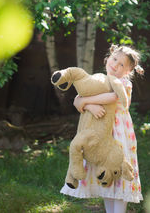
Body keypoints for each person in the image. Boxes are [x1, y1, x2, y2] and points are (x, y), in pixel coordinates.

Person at [60, 44, 144, 213]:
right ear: (108, 58)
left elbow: (113, 97)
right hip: (98, 133)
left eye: (122, 65)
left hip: (118, 134)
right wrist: (88, 106)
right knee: (105, 177)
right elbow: (77, 101)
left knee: (117, 171)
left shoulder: (124, 83)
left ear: (128, 71)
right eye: (114, 59)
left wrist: (86, 101)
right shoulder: (97, 80)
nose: (115, 65)